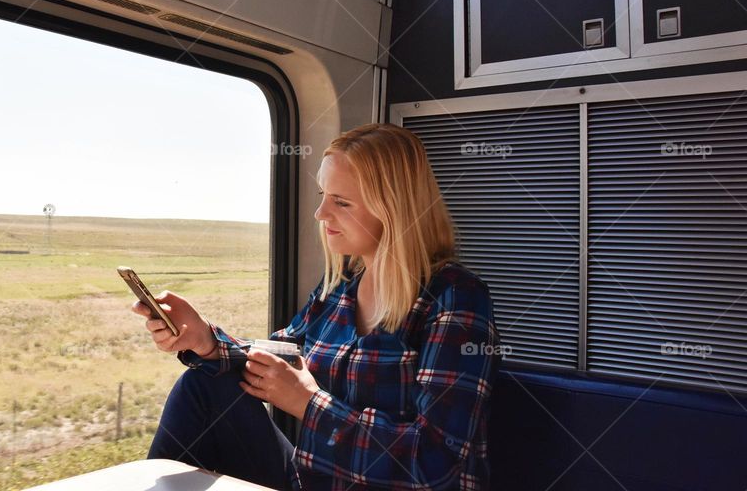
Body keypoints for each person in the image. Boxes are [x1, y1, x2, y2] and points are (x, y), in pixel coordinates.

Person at [132, 123, 502, 490]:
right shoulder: (339, 289)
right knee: (202, 386)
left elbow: (436, 461)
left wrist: (308, 404)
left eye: (341, 202)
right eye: (323, 194)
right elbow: (278, 357)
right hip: (310, 482)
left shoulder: (454, 298)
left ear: (393, 209)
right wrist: (205, 340)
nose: (321, 213)